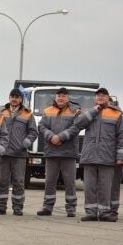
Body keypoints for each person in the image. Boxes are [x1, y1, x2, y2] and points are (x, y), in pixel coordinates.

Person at [72, 88, 123, 222]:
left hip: (107, 157)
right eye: (98, 95)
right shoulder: (89, 112)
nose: (100, 97)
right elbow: (78, 124)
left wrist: (121, 156)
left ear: (108, 98)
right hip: (89, 156)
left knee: (105, 187)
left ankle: (104, 213)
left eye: (103, 95)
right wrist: (93, 110)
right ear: (95, 98)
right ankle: (91, 212)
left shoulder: (116, 114)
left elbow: (122, 137)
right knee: (89, 187)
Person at [37, 87, 80, 217]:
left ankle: (71, 209)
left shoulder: (75, 111)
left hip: (68, 153)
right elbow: (41, 126)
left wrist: (60, 137)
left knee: (70, 182)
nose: (61, 98)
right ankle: (47, 207)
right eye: (59, 96)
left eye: (64, 96)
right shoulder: (47, 111)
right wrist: (51, 136)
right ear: (55, 98)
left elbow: (76, 127)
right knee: (49, 181)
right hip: (52, 152)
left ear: (68, 98)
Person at [0, 88, 38, 216]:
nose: (14, 99)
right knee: (3, 182)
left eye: (17, 97)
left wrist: (25, 143)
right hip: (3, 154)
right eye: (12, 96)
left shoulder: (28, 114)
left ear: (21, 99)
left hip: (19, 154)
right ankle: (1, 207)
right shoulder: (1, 112)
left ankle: (18, 208)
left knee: (18, 181)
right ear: (9, 98)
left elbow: (33, 132)